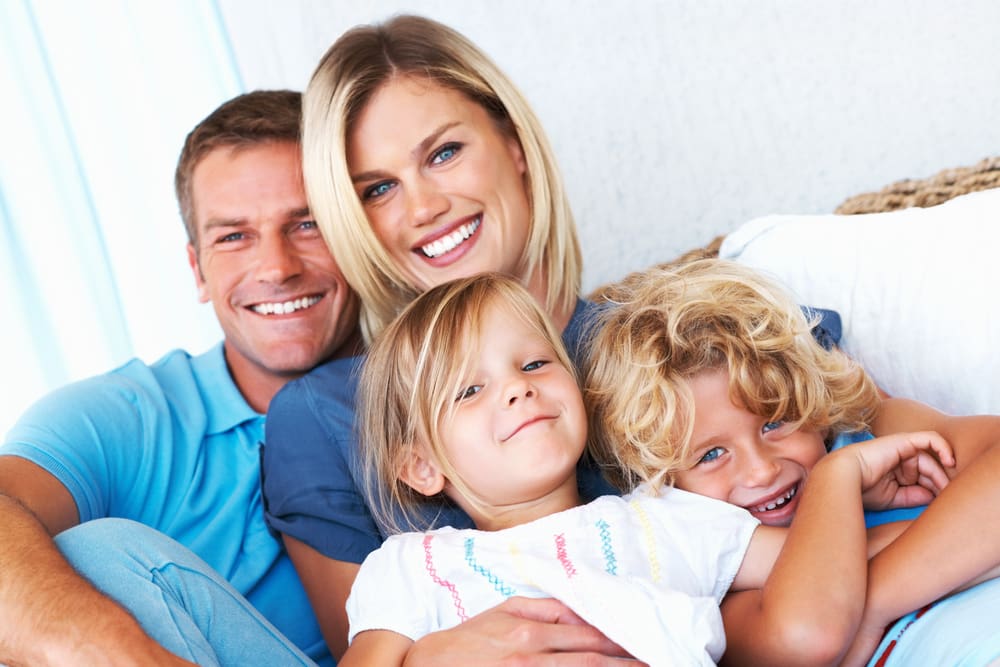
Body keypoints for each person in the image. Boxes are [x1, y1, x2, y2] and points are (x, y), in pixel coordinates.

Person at [261, 15, 845, 662]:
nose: (423, 207)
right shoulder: (328, 417)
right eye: (378, 189)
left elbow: (843, 522)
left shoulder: (665, 339)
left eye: (444, 153)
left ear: (513, 145)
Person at [339, 272, 960, 666]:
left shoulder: (668, 522)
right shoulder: (413, 567)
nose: (516, 391)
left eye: (532, 366)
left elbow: (829, 562)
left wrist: (849, 489)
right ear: (420, 466)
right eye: (469, 392)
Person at [0, 90, 360, 666]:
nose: (277, 267)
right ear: (197, 269)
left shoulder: (448, 389)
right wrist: (114, 649)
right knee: (84, 558)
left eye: (308, 224)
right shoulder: (130, 416)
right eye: (234, 236)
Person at [583, 258, 1000, 666]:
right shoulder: (715, 592)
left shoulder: (882, 433)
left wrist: (872, 605)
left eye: (775, 422)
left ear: (815, 408)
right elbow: (805, 638)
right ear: (664, 486)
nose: (762, 469)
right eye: (711, 455)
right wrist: (839, 478)